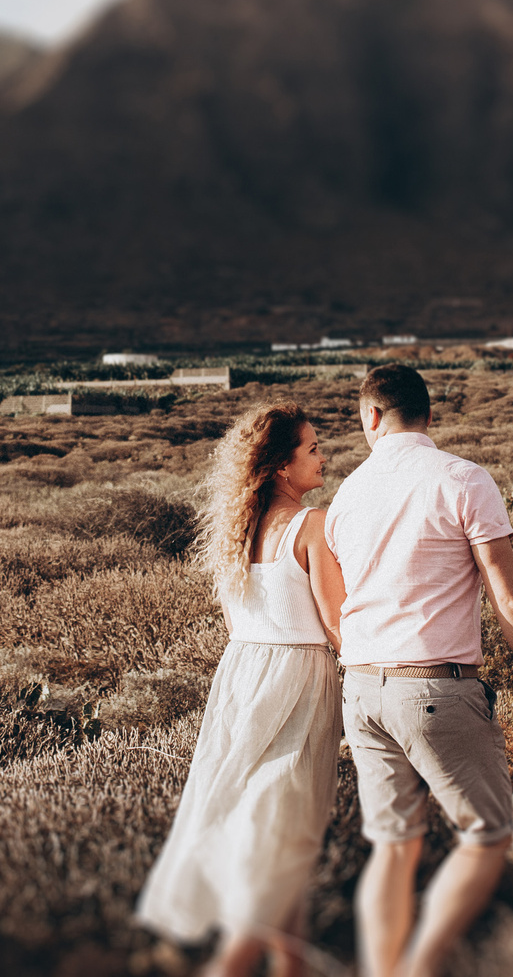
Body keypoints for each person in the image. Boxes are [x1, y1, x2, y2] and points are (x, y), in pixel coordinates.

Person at [314, 364, 513, 977]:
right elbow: (508, 596)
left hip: (362, 689)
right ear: (429, 413)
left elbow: (338, 602)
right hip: (432, 688)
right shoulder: (462, 479)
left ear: (371, 416)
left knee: (393, 847)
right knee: (487, 835)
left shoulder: (346, 494)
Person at [136, 402, 349, 977]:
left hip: (241, 685)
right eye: (311, 448)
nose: (322, 456)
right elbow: (337, 627)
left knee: (273, 842)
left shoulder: (236, 531)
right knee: (282, 840)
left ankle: (290, 965)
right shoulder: (312, 525)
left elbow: (241, 627)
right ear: (282, 465)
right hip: (298, 688)